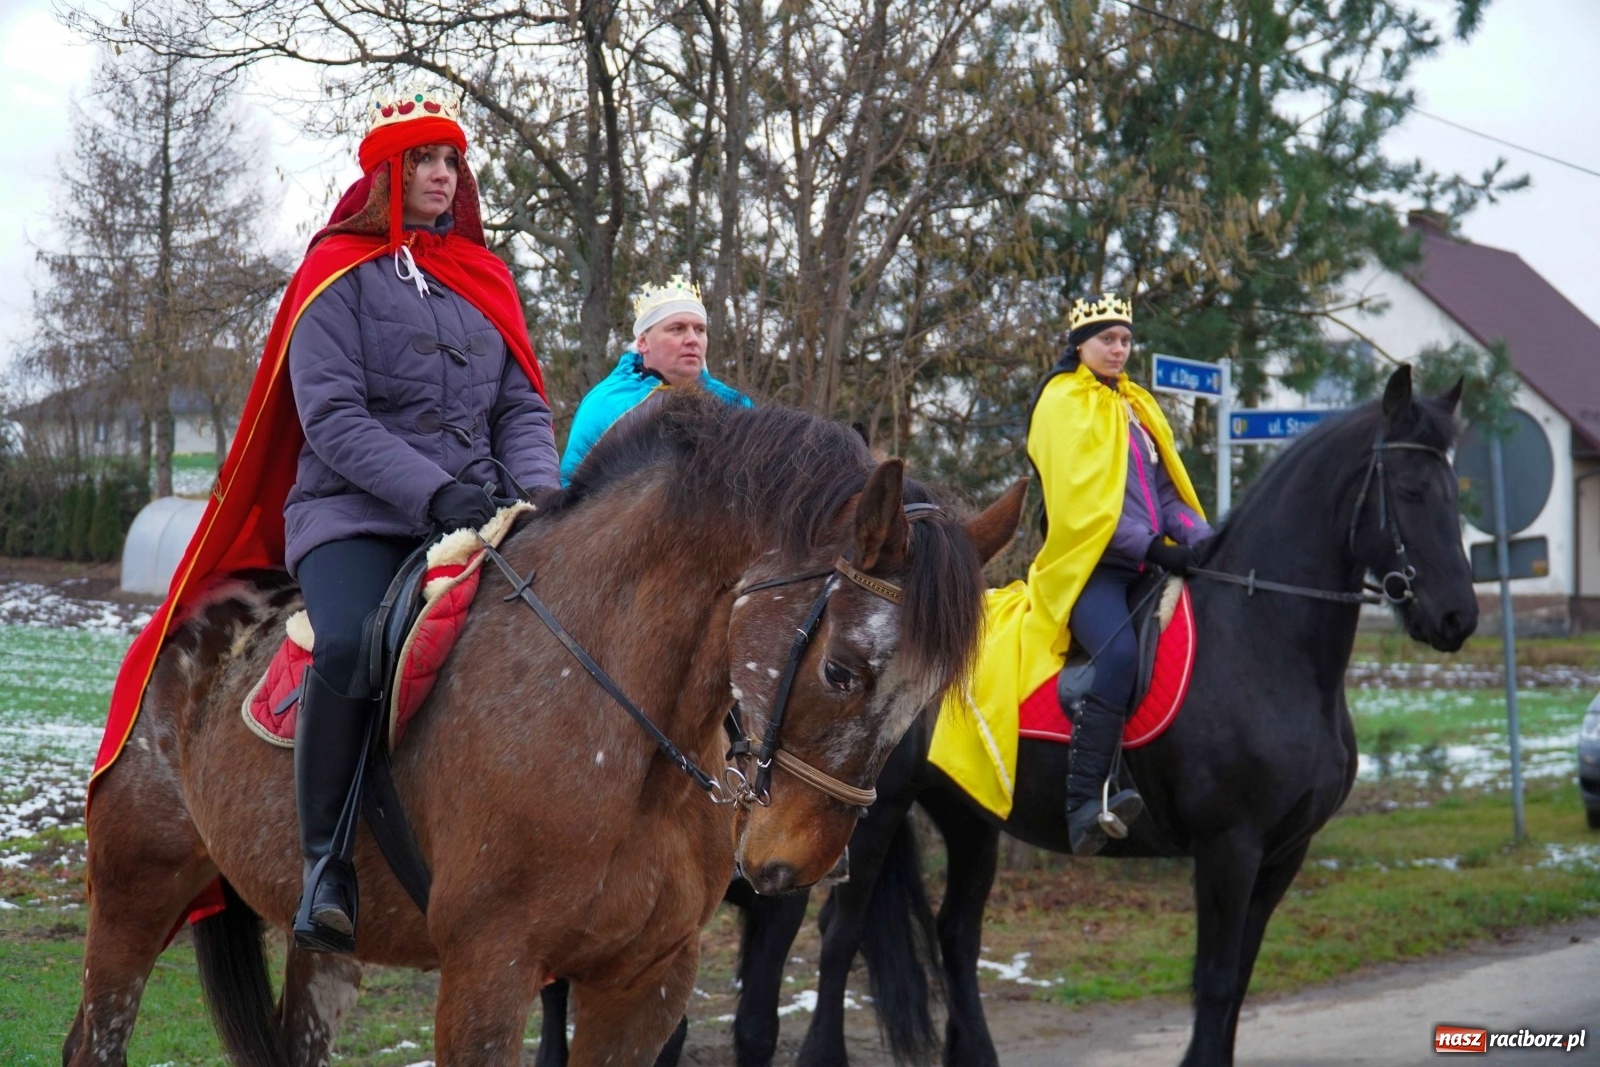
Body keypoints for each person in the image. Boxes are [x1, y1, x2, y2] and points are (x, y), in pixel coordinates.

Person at [90, 86, 559, 954]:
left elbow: (522, 407)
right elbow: (335, 420)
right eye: (422, 159)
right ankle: (325, 863)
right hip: (354, 517)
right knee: (348, 640)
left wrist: (541, 496)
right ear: (386, 173)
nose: (440, 175)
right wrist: (431, 493)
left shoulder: (485, 280)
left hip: (485, 511)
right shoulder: (336, 275)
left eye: (450, 159)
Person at [1033, 294, 1211, 854]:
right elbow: (1082, 509)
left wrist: (1207, 540)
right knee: (1116, 657)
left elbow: (1164, 493)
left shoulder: (1134, 406)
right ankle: (1085, 802)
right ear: (1079, 345)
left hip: (1144, 564)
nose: (1118, 349)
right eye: (1107, 339)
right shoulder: (1062, 404)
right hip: (1090, 571)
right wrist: (1158, 550)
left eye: (1125, 340)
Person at [558, 275, 750, 485]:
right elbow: (571, 493)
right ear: (643, 342)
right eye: (677, 329)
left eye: (700, 330)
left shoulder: (734, 405)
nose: (692, 340)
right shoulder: (607, 404)